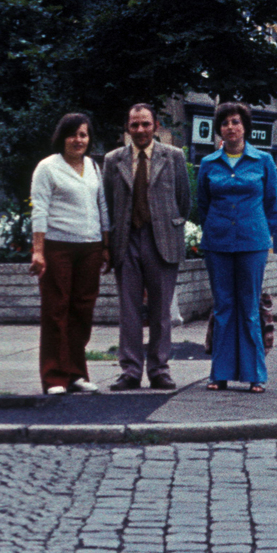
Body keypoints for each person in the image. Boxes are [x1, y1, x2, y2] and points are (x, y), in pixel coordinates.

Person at [103, 103, 192, 391]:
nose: (140, 130)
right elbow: (107, 202)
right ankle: (130, 370)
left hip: (161, 240)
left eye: (145, 124)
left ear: (155, 126)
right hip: (126, 240)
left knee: (160, 310)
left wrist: (171, 225)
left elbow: (184, 199)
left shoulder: (174, 156)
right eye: (134, 125)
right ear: (127, 128)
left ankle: (159, 370)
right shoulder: (113, 160)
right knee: (128, 309)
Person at [197, 102, 277, 393]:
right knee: (223, 307)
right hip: (217, 243)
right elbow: (203, 205)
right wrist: (216, 227)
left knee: (249, 307)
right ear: (219, 129)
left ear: (245, 127)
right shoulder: (208, 164)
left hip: (252, 242)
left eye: (236, 122)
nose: (231, 127)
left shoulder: (263, 161)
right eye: (225, 123)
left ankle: (255, 374)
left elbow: (272, 205)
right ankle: (219, 373)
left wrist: (263, 234)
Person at [30, 112, 109, 395]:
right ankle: (54, 377)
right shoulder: (47, 168)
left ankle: (76, 374)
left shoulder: (93, 167)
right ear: (62, 137)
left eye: (84, 134)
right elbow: (39, 210)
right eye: (73, 134)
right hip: (57, 247)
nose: (79, 140)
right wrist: (38, 252)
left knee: (82, 310)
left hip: (89, 248)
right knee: (56, 310)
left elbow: (102, 208)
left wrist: (105, 245)